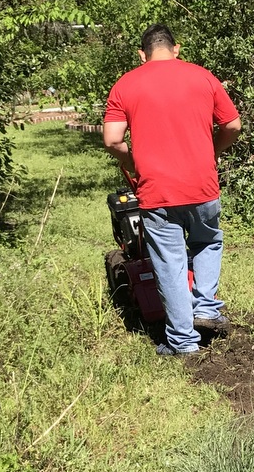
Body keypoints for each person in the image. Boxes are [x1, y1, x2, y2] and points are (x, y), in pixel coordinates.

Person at [102, 24, 241, 356]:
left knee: (170, 262)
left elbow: (111, 139)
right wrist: (213, 153)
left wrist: (134, 162)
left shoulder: (125, 84)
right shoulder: (203, 77)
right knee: (208, 241)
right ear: (176, 49)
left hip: (157, 190)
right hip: (203, 185)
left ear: (142, 54)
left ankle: (182, 341)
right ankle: (206, 307)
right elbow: (233, 125)